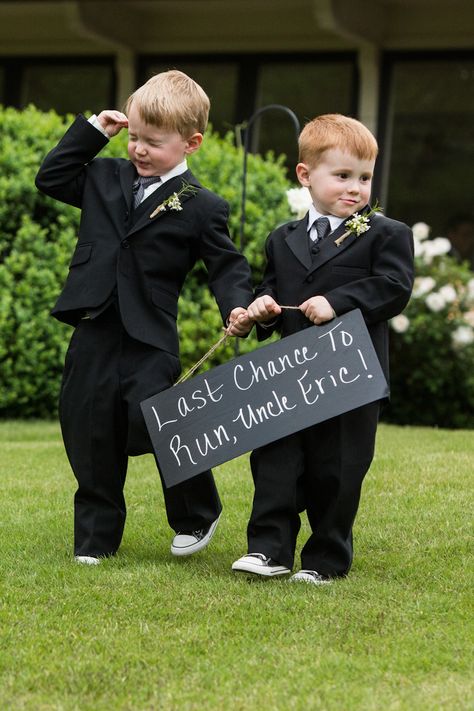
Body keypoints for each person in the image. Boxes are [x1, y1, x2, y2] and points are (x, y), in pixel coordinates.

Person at [35, 70, 253, 565]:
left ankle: (197, 511)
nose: (138, 149)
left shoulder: (202, 206)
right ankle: (95, 537)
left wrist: (237, 305)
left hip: (149, 335)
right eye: (134, 137)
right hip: (94, 324)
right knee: (88, 427)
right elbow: (50, 177)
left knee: (159, 420)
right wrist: (95, 131)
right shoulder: (103, 177)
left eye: (152, 142)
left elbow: (226, 266)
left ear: (190, 143)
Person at [232, 113, 414, 585]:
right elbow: (269, 289)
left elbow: (393, 287)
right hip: (287, 376)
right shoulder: (282, 238)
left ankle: (325, 558)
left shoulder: (386, 234)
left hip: (350, 380)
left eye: (365, 177)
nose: (355, 188)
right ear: (305, 175)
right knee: (275, 461)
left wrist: (338, 301)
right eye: (342, 176)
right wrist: (262, 309)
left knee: (337, 470)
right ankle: (268, 549)